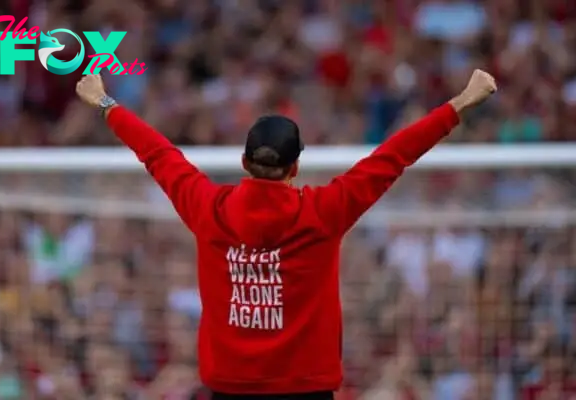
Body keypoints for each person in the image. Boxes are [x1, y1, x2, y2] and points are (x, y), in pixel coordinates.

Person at [75, 69, 496, 400]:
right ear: (295, 167)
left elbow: (157, 154)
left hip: (229, 387)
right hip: (306, 389)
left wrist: (106, 102)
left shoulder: (209, 208)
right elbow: (393, 157)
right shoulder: (324, 211)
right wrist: (461, 102)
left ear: (243, 160)